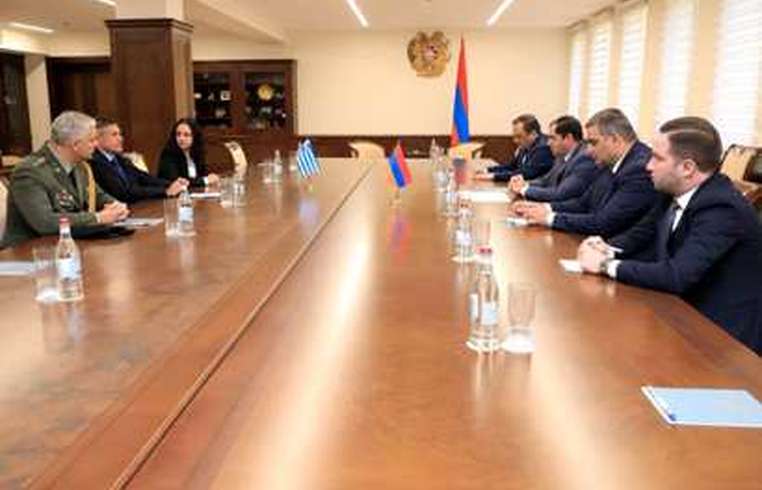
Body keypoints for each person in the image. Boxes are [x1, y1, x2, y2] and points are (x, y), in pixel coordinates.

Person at [578, 117, 762, 355]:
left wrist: (605, 265)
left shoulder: (722, 208)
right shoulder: (672, 191)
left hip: (722, 338)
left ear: (687, 168)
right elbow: (641, 235)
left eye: (657, 158)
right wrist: (606, 247)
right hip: (678, 311)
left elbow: (677, 275)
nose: (648, 166)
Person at [514, 108, 656, 238]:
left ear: (615, 139)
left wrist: (549, 218)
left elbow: (603, 223)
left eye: (593, 143)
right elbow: (584, 203)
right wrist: (544, 208)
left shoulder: (639, 170)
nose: (588, 151)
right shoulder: (611, 161)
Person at [1, 111, 129, 247]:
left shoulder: (80, 166)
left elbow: (98, 196)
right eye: (92, 140)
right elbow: (45, 222)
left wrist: (116, 206)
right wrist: (97, 218)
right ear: (75, 145)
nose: (96, 145)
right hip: (29, 251)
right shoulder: (29, 172)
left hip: (71, 244)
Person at [90, 117, 188, 203]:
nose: (120, 139)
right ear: (98, 139)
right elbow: (124, 192)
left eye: (120, 134)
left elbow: (142, 177)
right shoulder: (96, 162)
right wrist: (165, 191)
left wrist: (172, 184)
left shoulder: (119, 159)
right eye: (114, 135)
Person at [508, 115, 600, 202]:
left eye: (553, 138)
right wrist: (525, 183)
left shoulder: (584, 159)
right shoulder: (561, 156)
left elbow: (560, 193)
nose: (548, 143)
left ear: (568, 138)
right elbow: (545, 180)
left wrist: (524, 190)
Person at [476, 114, 554, 182]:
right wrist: (487, 170)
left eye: (519, 136)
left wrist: (494, 176)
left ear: (533, 134)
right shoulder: (526, 146)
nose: (515, 141)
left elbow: (526, 174)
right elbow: (512, 166)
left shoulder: (543, 148)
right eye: (514, 136)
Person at [157, 118, 220, 188]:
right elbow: (177, 181)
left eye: (186, 135)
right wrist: (205, 180)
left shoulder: (196, 153)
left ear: (195, 137)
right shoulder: (168, 154)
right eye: (178, 134)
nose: (181, 138)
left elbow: (202, 174)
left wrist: (211, 177)